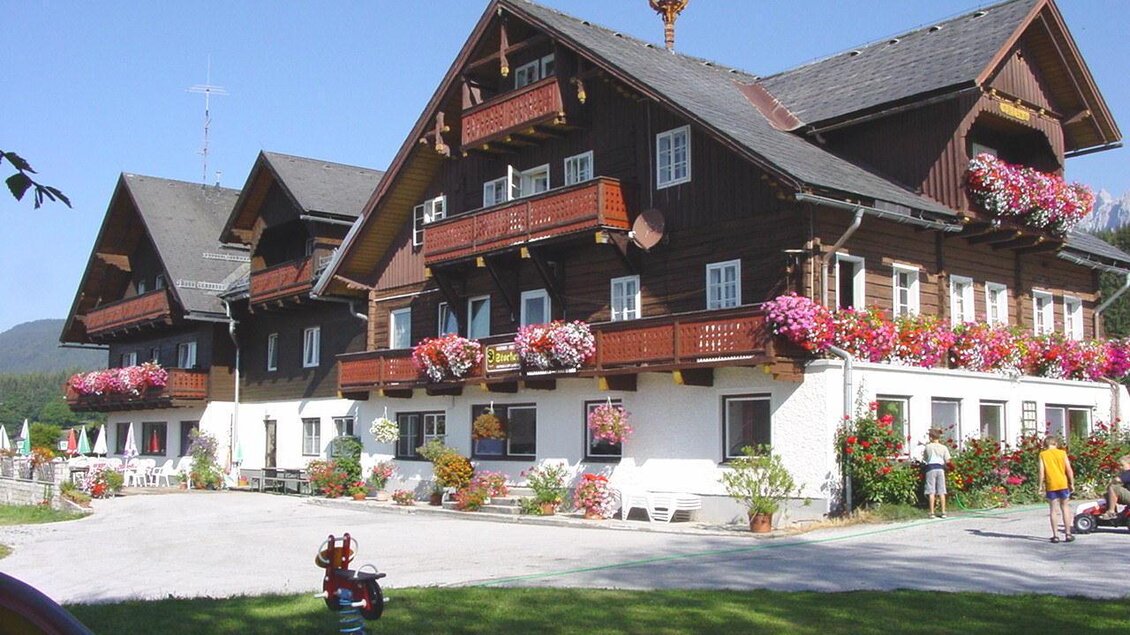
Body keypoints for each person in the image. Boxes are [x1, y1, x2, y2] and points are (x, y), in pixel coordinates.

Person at [1038, 436, 1075, 543]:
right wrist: (1071, 483)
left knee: (1053, 510)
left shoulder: (1043, 455)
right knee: (1065, 507)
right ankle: (1068, 534)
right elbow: (1069, 469)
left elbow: (1041, 472)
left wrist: (1040, 486)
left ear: (1045, 445)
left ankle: (1055, 535)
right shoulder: (1062, 453)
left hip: (1051, 485)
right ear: (1056, 444)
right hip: (1062, 483)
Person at [922, 428, 951, 518]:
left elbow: (925, 458)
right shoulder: (943, 447)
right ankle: (943, 512)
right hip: (940, 468)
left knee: (931, 491)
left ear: (931, 437)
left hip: (931, 468)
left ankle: (932, 512)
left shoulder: (928, 447)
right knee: (941, 491)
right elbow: (948, 460)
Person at [1099, 455, 1130, 520]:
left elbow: (1117, 480)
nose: (1120, 467)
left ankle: (1111, 512)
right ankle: (1113, 512)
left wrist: (1110, 483)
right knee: (1109, 493)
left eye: (1122, 465)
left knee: (1113, 488)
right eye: (1119, 465)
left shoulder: (1128, 473)